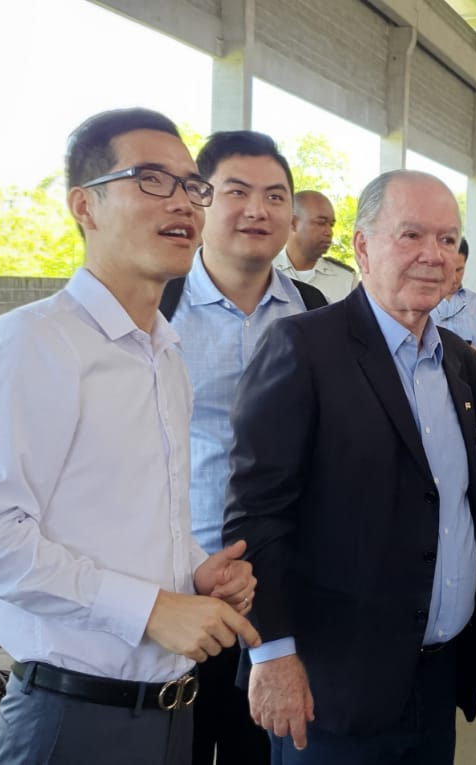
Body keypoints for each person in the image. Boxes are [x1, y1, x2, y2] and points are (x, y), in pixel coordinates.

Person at [0, 107, 260, 765]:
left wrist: (193, 573)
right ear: (84, 205)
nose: (183, 201)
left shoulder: (164, 357)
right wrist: (151, 609)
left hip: (174, 712)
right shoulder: (30, 344)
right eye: (151, 179)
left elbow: (128, 519)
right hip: (72, 723)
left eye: (191, 185)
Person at [223, 169, 476, 765]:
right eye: (411, 235)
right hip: (334, 685)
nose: (433, 255)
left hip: (435, 675)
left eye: (447, 240)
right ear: (363, 247)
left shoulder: (458, 366)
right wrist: (274, 655)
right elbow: (257, 515)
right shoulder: (303, 348)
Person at [162, 130, 319, 765]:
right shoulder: (156, 307)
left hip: (284, 589)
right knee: (184, 746)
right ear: (200, 200)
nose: (258, 209)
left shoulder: (314, 315)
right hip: (180, 586)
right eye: (237, 191)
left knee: (269, 749)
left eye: (275, 195)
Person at [431, 237, 476, 373]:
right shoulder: (421, 303)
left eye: (459, 270)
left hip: (468, 387)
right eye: (448, 269)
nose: (454, 277)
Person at [273, 189, 359, 300]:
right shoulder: (262, 274)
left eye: (331, 225)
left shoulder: (346, 279)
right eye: (321, 223)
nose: (329, 232)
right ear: (293, 223)